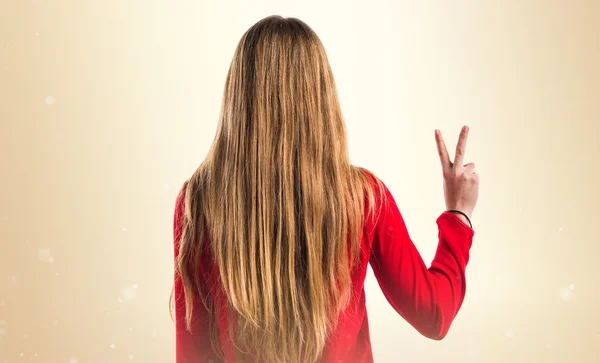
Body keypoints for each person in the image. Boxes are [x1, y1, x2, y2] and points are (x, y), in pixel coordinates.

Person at [171, 15, 479, 363]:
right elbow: (433, 315)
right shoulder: (362, 198)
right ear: (321, 94)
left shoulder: (198, 201)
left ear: (238, 97)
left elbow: (194, 353)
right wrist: (458, 215)